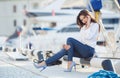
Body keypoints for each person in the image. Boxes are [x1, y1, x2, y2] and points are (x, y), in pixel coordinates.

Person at [33, 9, 100, 72]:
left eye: (84, 18)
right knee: (64, 50)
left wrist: (88, 24)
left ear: (88, 16)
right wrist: (69, 46)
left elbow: (89, 37)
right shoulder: (83, 27)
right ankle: (44, 63)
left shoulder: (95, 25)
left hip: (89, 51)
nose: (83, 21)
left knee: (69, 39)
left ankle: (69, 63)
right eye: (82, 20)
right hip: (82, 51)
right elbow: (81, 40)